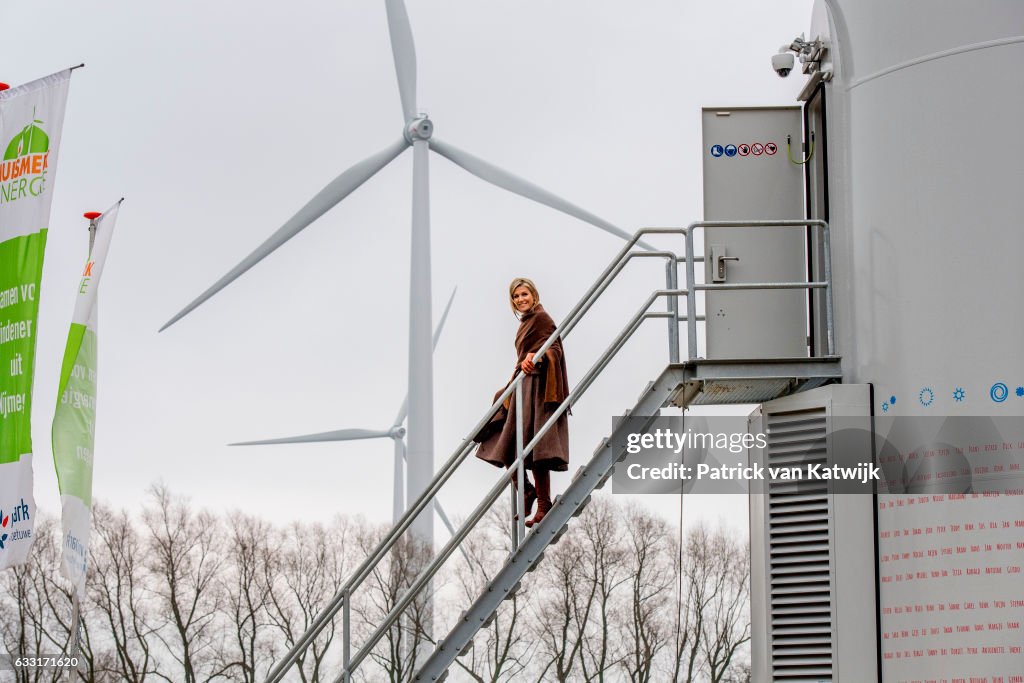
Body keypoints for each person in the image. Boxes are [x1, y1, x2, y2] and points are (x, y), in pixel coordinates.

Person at [474, 278, 569, 528]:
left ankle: (543, 503)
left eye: (524, 294)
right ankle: (526, 489)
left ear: (533, 294)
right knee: (502, 431)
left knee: (536, 445)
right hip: (522, 383)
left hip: (537, 387)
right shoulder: (527, 321)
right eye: (516, 297)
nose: (520, 299)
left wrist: (537, 357)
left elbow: (555, 348)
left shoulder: (541, 318)